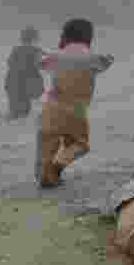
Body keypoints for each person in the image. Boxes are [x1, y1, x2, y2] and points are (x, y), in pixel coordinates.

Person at [36, 18, 115, 188]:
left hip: (53, 107)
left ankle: (45, 174)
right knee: (80, 144)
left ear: (64, 36)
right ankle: (57, 166)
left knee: (49, 142)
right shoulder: (93, 58)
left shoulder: (55, 57)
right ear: (89, 38)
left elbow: (40, 62)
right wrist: (109, 58)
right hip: (77, 109)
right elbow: (107, 61)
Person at [5, 26, 46, 120]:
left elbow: (10, 62)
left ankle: (13, 115)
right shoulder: (36, 51)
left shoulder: (16, 50)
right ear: (34, 39)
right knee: (23, 111)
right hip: (26, 85)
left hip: (13, 83)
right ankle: (16, 116)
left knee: (16, 109)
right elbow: (41, 65)